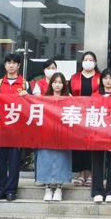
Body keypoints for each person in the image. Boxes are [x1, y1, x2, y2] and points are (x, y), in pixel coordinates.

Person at [0, 53, 30, 202]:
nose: (11, 65)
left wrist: (28, 96)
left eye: (14, 63)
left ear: (19, 66)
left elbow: (33, 106)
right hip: (0, 130)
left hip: (17, 131)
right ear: (5, 65)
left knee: (14, 163)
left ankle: (11, 190)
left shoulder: (25, 85)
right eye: (8, 63)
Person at [36, 72, 73, 202]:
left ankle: (59, 188)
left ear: (64, 84)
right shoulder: (44, 98)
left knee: (62, 160)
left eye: (60, 82)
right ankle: (48, 188)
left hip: (63, 134)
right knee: (46, 159)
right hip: (47, 133)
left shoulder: (69, 98)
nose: (57, 85)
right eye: (55, 82)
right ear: (51, 84)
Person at [70, 51, 100, 187]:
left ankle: (91, 174)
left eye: (91, 59)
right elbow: (68, 94)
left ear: (95, 62)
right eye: (85, 59)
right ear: (82, 62)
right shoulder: (74, 77)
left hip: (95, 115)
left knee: (93, 145)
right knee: (79, 145)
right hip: (78, 116)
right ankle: (81, 174)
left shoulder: (100, 77)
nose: (88, 62)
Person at [91, 69, 111, 203]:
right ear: (101, 80)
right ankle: (97, 191)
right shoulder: (95, 95)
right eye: (105, 78)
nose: (108, 81)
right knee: (97, 163)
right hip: (97, 134)